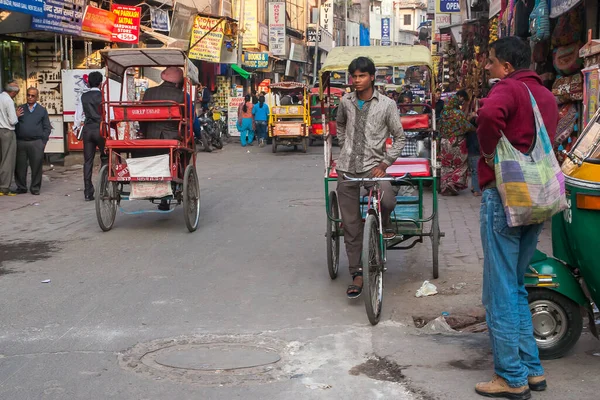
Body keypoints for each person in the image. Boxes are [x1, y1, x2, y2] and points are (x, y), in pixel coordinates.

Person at [474, 37, 558, 399]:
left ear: (507, 66)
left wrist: (490, 151)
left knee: (500, 290)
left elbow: (490, 116)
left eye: (491, 62)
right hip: (535, 199)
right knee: (517, 285)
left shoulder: (507, 89)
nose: (488, 69)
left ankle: (510, 375)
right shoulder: (547, 96)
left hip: (506, 195)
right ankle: (532, 370)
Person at [335, 56, 406, 299]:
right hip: (346, 169)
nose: (356, 80)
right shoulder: (345, 102)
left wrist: (385, 163)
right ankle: (356, 273)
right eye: (354, 76)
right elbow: (340, 126)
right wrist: (344, 147)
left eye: (361, 76)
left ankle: (384, 223)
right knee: (351, 226)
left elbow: (400, 137)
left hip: (373, 168)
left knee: (387, 200)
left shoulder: (387, 104)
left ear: (372, 77)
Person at [73, 72, 107, 201]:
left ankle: (88, 192)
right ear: (100, 83)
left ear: (88, 83)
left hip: (88, 130)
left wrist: (76, 128)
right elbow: (108, 115)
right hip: (101, 130)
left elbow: (78, 116)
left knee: (88, 162)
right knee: (105, 158)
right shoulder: (103, 97)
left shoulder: (84, 97)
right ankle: (103, 187)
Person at [14, 87, 51, 195]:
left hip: (36, 142)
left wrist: (43, 142)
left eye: (32, 96)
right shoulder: (20, 108)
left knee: (36, 166)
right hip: (21, 141)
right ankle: (21, 187)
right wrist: (15, 116)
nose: (30, 97)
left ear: (37, 97)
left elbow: (47, 127)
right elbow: (13, 123)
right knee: (20, 166)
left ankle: (35, 188)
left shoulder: (41, 110)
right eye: (28, 95)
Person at [439, 94, 475, 196]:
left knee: (446, 164)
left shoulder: (443, 113)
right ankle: (453, 182)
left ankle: (445, 187)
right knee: (461, 164)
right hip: (457, 142)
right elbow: (465, 126)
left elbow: (439, 128)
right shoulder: (458, 113)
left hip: (445, 142)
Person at [140, 67, 185, 140]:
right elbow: (186, 118)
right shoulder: (182, 95)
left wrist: (145, 132)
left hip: (150, 135)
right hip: (173, 137)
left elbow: (142, 117)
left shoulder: (149, 92)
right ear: (178, 83)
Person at [0, 81, 23, 196]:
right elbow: (13, 120)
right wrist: (17, 115)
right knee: (7, 160)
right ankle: (4, 187)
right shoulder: (8, 101)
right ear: (13, 92)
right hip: (7, 131)